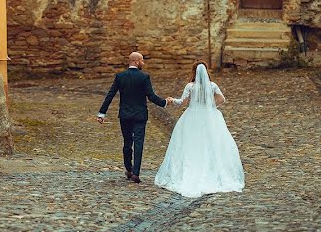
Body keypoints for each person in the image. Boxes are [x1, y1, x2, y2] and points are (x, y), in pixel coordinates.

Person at [154, 62, 245, 197]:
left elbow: (183, 103)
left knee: (190, 144)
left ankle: (190, 169)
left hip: (192, 117)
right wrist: (210, 108)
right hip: (210, 117)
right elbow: (222, 99)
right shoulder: (212, 86)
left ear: (194, 72)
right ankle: (211, 170)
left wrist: (172, 100)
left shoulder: (190, 86)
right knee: (211, 142)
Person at [96, 52, 172, 184]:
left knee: (127, 142)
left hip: (125, 115)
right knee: (138, 143)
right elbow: (151, 96)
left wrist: (102, 113)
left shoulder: (120, 76)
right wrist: (164, 103)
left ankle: (129, 169)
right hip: (140, 115)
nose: (143, 63)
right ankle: (136, 173)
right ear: (136, 61)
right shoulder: (144, 77)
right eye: (142, 60)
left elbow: (110, 95)